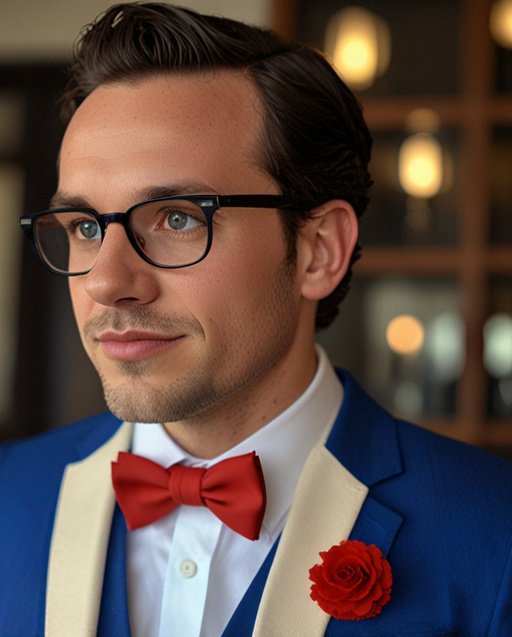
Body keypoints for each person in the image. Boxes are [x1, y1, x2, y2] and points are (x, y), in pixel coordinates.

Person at [1, 3, 511, 636]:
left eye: (178, 217)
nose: (106, 282)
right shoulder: (8, 497)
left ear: (320, 250)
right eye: (83, 227)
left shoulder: (495, 536)